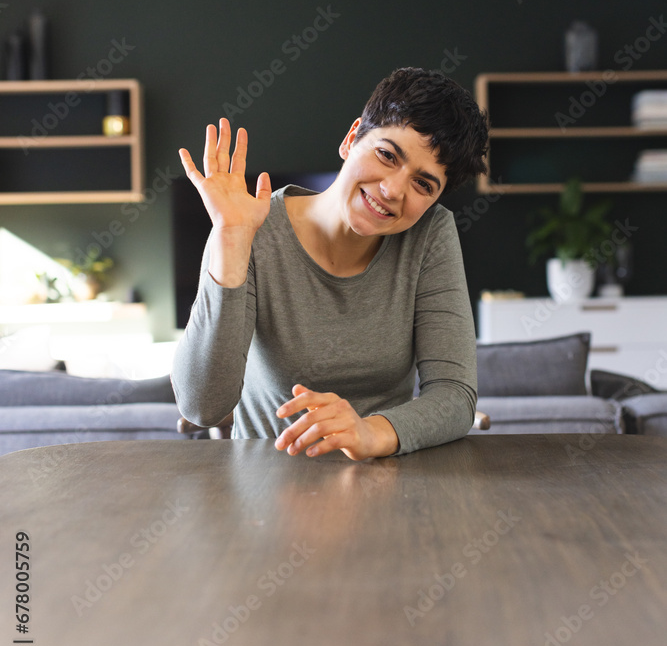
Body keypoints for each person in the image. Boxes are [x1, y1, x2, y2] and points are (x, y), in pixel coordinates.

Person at [171, 66, 489, 461]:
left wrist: (369, 433)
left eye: (423, 184)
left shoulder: (430, 234)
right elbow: (201, 408)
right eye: (387, 155)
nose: (392, 190)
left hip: (386, 478)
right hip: (265, 481)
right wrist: (231, 239)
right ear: (351, 138)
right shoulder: (249, 225)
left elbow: (455, 396)